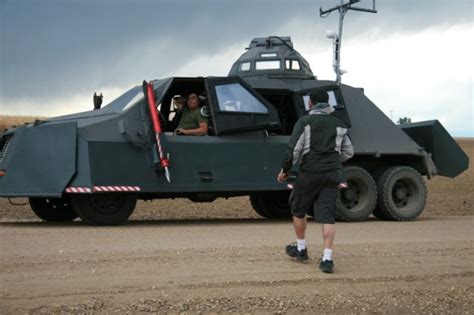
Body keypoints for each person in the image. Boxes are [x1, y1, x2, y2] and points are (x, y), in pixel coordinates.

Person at [277, 88, 354, 273]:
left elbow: (294, 149)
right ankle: (327, 259)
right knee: (327, 214)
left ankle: (301, 249)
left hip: (310, 173)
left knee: (298, 209)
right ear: (328, 104)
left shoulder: (305, 122)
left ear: (310, 103)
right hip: (332, 173)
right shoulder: (339, 124)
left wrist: (285, 170)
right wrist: (332, 160)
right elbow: (349, 152)